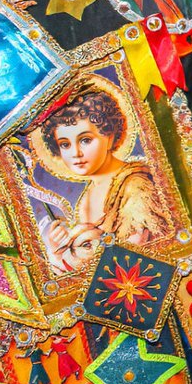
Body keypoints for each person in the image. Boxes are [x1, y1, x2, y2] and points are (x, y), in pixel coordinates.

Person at [37, 86, 172, 272]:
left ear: (109, 136)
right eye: (65, 144)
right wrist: (59, 252)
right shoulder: (88, 195)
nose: (75, 153)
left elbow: (134, 262)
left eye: (85, 140)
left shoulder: (136, 186)